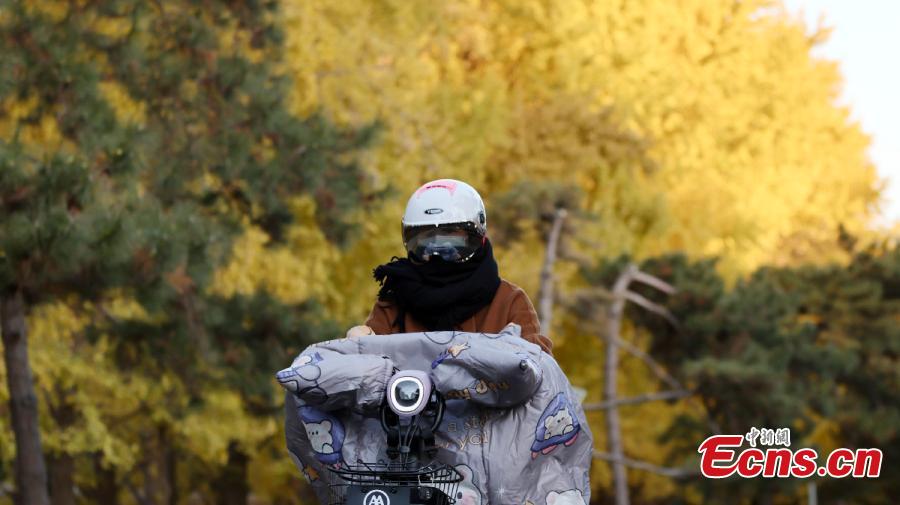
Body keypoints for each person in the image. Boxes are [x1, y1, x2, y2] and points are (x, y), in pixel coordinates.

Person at [363, 178, 553, 354]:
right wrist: (360, 341)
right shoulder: (394, 304)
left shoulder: (508, 301)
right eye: (426, 238)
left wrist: (514, 351)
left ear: (477, 236)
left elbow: (539, 363)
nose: (437, 249)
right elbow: (366, 361)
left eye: (450, 236)